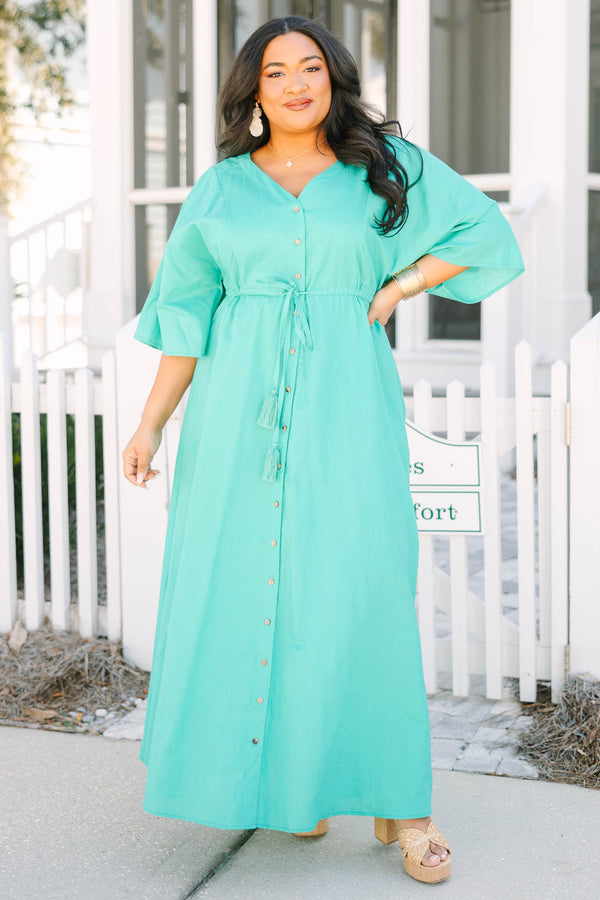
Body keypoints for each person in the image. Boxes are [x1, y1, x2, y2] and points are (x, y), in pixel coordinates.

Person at [122, 15, 524, 886]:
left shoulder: (384, 167)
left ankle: (404, 810)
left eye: (312, 67)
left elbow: (482, 233)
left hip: (348, 408)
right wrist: (152, 421)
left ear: (334, 80)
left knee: (362, 588)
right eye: (276, 72)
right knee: (247, 589)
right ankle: (295, 788)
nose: (297, 83)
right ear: (253, 94)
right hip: (236, 416)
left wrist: (401, 285)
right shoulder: (222, 190)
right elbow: (187, 317)